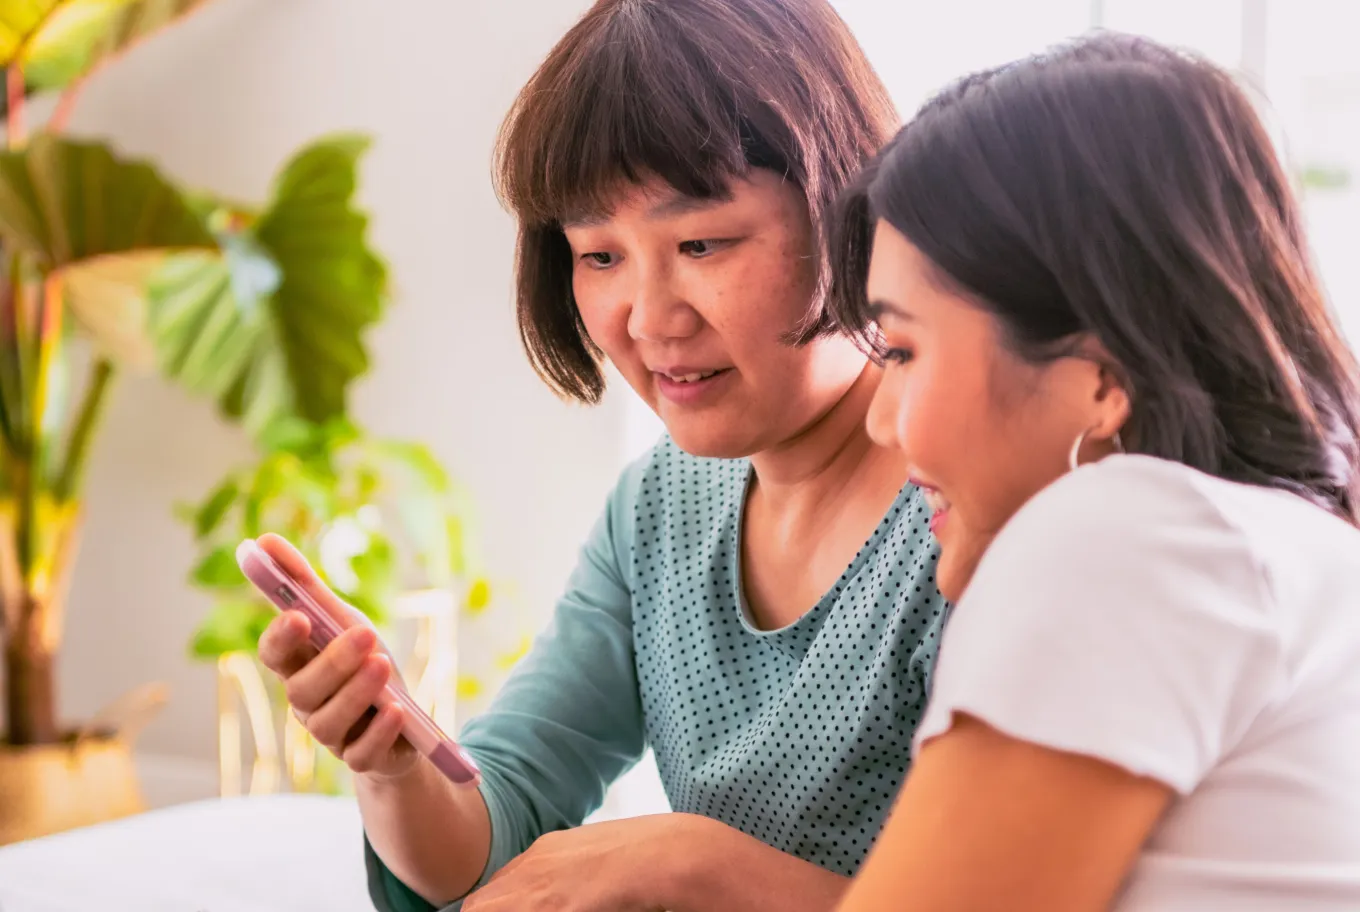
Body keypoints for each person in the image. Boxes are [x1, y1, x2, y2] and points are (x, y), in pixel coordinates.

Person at [255, 1, 952, 910]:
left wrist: (691, 862)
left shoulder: (960, 508)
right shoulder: (661, 507)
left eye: (702, 242)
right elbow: (494, 825)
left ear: (845, 209)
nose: (650, 319)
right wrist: (393, 762)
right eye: (598, 255)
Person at [824, 31, 1360, 911]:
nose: (881, 421)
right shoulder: (1289, 552)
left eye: (903, 348)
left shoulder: (1125, 535)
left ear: (1102, 381)